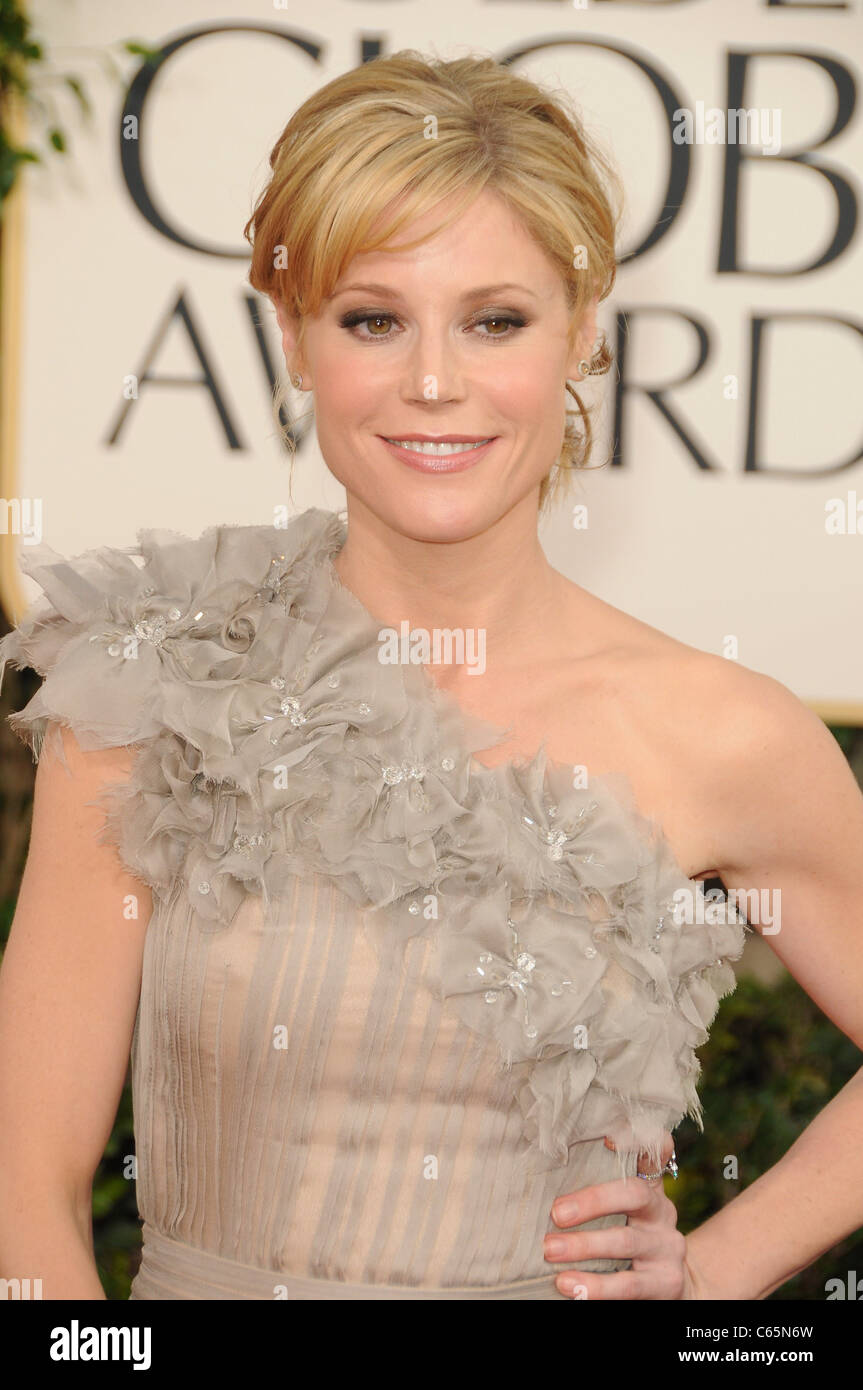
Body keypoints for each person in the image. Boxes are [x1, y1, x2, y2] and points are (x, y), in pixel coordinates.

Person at [1, 51, 861, 1303]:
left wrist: (715, 1274)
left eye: (494, 319)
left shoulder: (723, 733)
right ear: (295, 338)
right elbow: (20, 1182)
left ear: (581, 330)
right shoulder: (161, 683)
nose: (432, 382)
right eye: (371, 318)